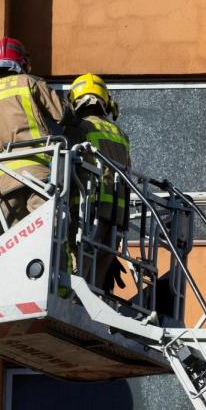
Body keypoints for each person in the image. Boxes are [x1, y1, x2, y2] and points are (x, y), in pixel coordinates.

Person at [0, 37, 67, 235]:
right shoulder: (29, 83)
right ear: (23, 62)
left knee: (9, 242)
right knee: (45, 235)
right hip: (38, 176)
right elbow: (63, 115)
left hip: (0, 183)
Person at [64, 73, 131, 292]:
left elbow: (67, 167)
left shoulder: (79, 128)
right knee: (97, 280)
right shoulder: (120, 133)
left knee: (78, 275)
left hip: (87, 212)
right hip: (116, 217)